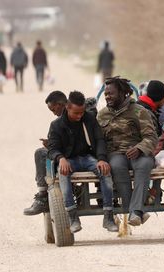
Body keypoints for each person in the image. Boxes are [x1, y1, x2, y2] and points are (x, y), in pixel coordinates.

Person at [47, 91, 117, 233]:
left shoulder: (89, 118)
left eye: (81, 112)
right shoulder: (56, 125)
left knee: (105, 171)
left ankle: (108, 217)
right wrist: (61, 159)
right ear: (67, 107)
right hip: (69, 160)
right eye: (76, 113)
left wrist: (102, 159)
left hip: (87, 158)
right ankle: (73, 217)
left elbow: (99, 140)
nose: (79, 116)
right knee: (63, 174)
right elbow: (52, 148)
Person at [97, 76, 157, 226]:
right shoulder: (102, 114)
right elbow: (99, 140)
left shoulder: (139, 111)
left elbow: (151, 137)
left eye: (111, 93)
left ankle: (135, 211)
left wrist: (139, 148)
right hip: (116, 153)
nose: (107, 97)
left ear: (123, 93)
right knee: (116, 167)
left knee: (143, 166)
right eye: (106, 94)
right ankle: (135, 211)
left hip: (139, 152)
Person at [24, 91, 67, 216]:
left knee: (40, 153)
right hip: (70, 152)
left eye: (53, 109)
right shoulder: (79, 112)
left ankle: (42, 195)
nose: (53, 113)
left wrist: (52, 146)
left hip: (69, 154)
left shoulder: (61, 120)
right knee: (45, 152)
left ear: (60, 104)